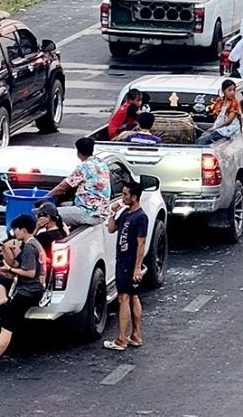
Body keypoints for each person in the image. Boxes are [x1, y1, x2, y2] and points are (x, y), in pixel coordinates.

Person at [0, 214, 45, 373]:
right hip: (31, 290)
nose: (14, 233)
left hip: (28, 291)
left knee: (7, 325)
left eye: (16, 230)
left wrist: (9, 269)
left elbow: (30, 272)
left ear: (23, 230)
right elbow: (22, 264)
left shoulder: (30, 247)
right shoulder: (34, 244)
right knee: (8, 320)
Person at [104, 180, 149, 351]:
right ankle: (135, 335)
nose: (122, 197)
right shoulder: (125, 213)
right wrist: (112, 213)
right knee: (133, 296)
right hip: (122, 260)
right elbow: (111, 229)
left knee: (124, 298)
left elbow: (141, 243)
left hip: (128, 263)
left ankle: (121, 339)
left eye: (125, 194)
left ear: (134, 197)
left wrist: (137, 267)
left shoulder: (140, 217)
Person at [47, 137, 112, 227]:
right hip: (101, 211)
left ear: (78, 152)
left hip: (89, 213)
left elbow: (63, 187)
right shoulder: (101, 163)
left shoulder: (84, 166)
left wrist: (47, 196)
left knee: (47, 216)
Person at [196, 79, 243, 145]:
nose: (232, 92)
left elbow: (228, 121)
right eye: (229, 90)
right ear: (224, 91)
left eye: (234, 90)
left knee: (202, 141)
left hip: (228, 130)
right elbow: (218, 118)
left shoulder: (234, 103)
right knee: (200, 138)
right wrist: (212, 128)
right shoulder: (220, 101)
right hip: (220, 128)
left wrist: (215, 128)